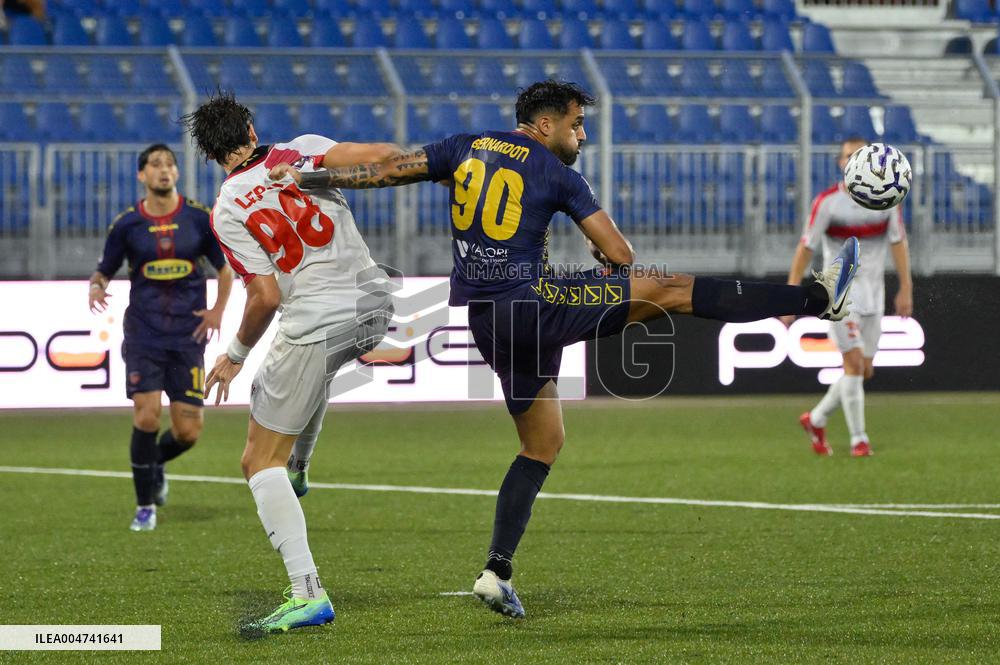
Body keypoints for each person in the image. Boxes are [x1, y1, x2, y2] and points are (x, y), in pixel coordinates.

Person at [268, 80, 859, 619]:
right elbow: (623, 255)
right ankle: (814, 297)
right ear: (545, 124)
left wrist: (315, 179)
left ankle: (495, 571)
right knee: (671, 289)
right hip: (532, 303)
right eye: (576, 124)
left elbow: (391, 171)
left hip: (483, 318)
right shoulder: (555, 170)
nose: (581, 135)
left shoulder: (463, 144)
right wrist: (610, 259)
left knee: (543, 441)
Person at [181, 92, 395, 633]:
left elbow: (266, 298)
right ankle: (299, 468)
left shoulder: (228, 205)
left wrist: (233, 355)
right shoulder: (300, 152)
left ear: (211, 154)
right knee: (304, 375)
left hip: (318, 315)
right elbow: (380, 157)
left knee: (257, 462)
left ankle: (307, 592)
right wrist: (431, 166)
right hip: (375, 302)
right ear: (251, 130)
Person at [88, 143, 233, 532]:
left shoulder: (200, 219)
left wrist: (218, 310)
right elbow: (104, 269)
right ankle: (144, 507)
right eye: (155, 165)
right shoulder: (126, 225)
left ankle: (155, 464)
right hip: (144, 337)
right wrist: (96, 286)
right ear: (142, 175)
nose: (164, 170)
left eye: (169, 163)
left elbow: (224, 270)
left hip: (188, 338)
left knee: (189, 432)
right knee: (147, 416)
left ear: (176, 173)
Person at [784, 136, 912, 457]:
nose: (851, 160)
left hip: (874, 293)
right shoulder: (827, 203)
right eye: (847, 156)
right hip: (838, 295)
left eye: (859, 154)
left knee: (864, 370)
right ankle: (859, 440)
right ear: (841, 163)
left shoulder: (888, 200)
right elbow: (806, 247)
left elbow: (898, 243)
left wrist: (906, 287)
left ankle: (816, 419)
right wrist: (790, 291)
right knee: (853, 363)